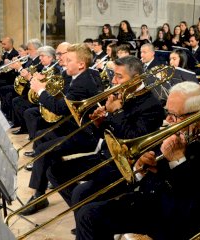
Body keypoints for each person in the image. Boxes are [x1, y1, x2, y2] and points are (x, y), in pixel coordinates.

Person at [74, 81, 200, 240]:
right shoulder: (174, 132)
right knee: (88, 214)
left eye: (175, 115)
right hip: (154, 204)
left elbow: (197, 204)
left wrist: (178, 161)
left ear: (198, 117)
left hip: (180, 220)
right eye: (169, 113)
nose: (168, 120)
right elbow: (153, 180)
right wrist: (141, 170)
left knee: (91, 215)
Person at [46, 56, 165, 228]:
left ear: (137, 78)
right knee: (55, 171)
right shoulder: (120, 94)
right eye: (114, 75)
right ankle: (85, 217)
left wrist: (115, 113)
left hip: (125, 165)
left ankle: (87, 220)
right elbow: (107, 135)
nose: (114, 81)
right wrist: (99, 123)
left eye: (119, 76)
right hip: (107, 156)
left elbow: (132, 139)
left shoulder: (151, 105)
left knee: (80, 192)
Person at [20, 43, 102, 216]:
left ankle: (42, 195)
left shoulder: (83, 82)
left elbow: (59, 108)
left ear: (81, 64)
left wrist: (41, 90)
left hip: (85, 133)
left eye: (68, 59)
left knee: (44, 151)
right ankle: (41, 193)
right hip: (71, 125)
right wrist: (44, 83)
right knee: (41, 136)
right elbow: (60, 95)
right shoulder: (72, 75)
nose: (64, 62)